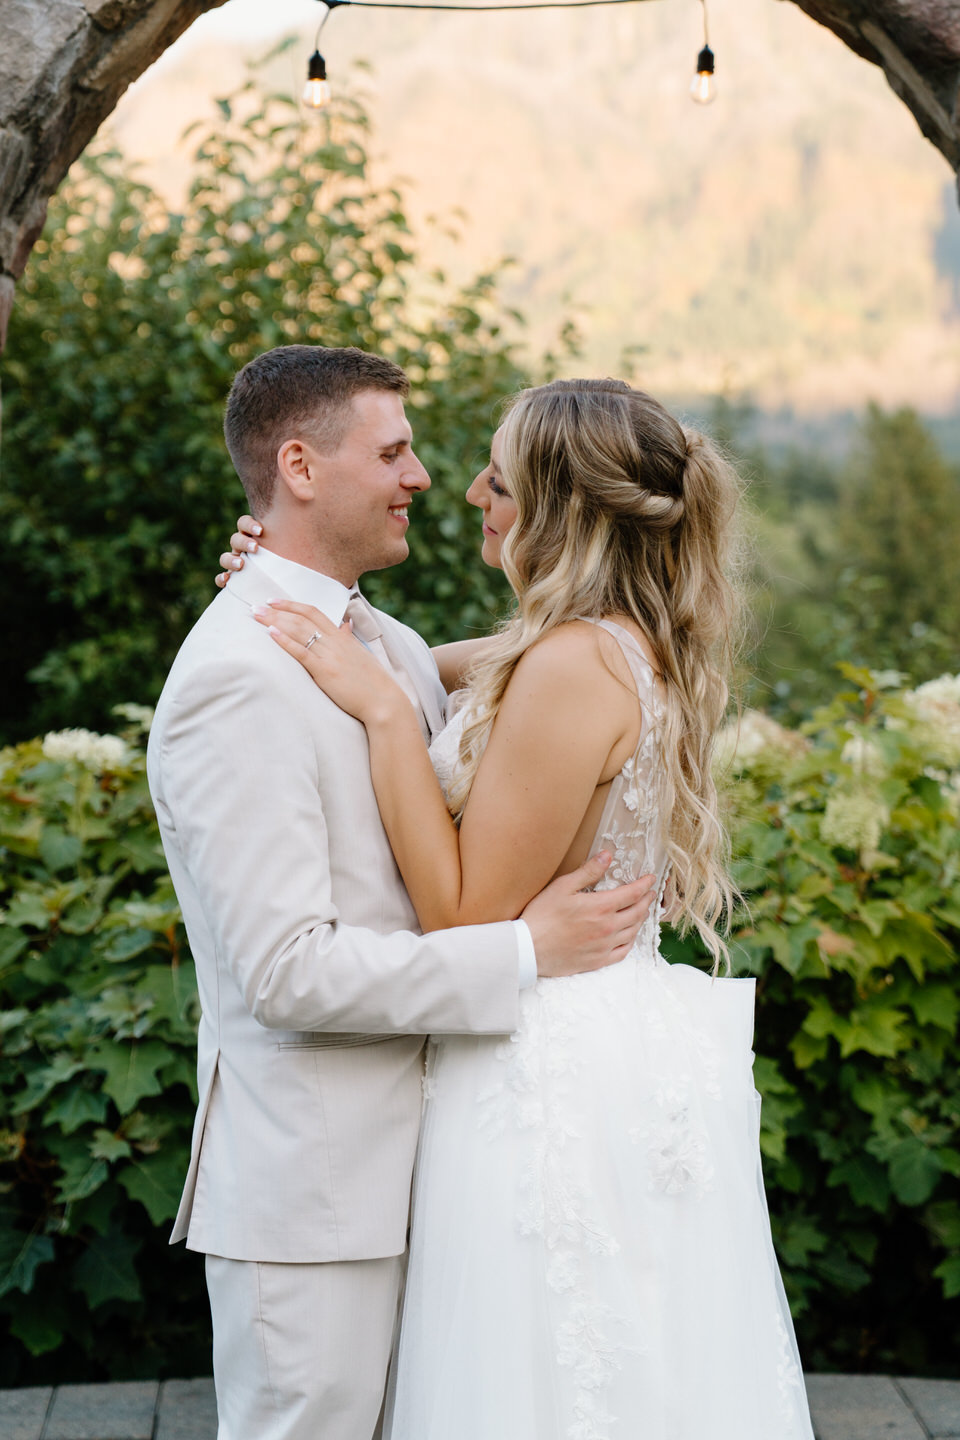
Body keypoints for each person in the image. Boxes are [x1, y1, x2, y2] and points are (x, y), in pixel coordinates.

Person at [227, 377, 816, 1439]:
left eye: (496, 479)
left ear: (556, 503)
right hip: (599, 1038)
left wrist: (380, 720)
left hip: (548, 1059)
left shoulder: (569, 666)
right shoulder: (603, 644)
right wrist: (307, 596)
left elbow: (460, 916)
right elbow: (420, 665)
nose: (467, 494)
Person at [148, 345, 655, 1440]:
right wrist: (525, 952)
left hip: (432, 1163)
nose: (426, 476)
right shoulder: (239, 677)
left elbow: (544, 660)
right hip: (317, 1202)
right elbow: (286, 972)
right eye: (394, 450)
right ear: (299, 466)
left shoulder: (375, 642)